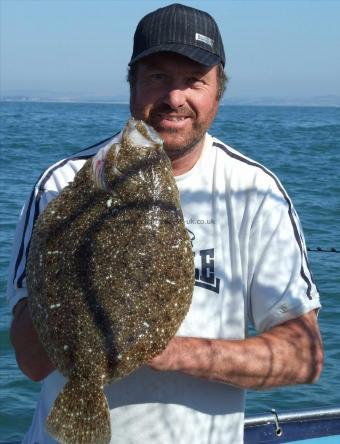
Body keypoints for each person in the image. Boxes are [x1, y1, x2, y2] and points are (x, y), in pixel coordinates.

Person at [8, 3, 323, 444]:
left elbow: (303, 358)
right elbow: (31, 360)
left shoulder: (256, 191)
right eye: (157, 77)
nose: (175, 98)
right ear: (132, 84)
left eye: (194, 81)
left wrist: (160, 350)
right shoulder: (62, 184)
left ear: (218, 91)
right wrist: (70, 273)